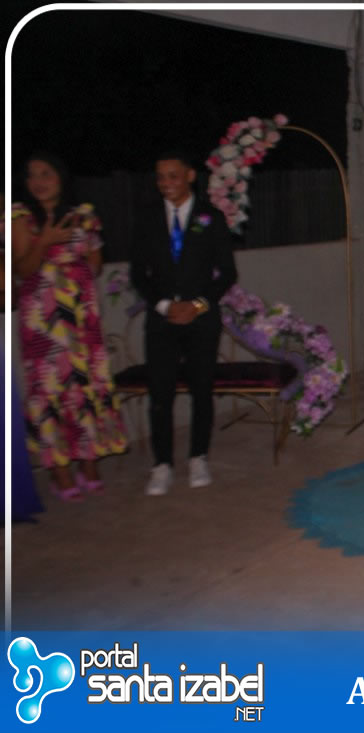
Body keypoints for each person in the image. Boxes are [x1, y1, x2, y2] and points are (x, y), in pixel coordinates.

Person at [10, 152, 127, 501]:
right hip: (43, 321)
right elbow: (21, 270)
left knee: (85, 384)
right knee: (50, 389)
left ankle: (89, 462)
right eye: (32, 175)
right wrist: (45, 242)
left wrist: (82, 266)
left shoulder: (84, 214)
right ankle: (59, 469)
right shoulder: (19, 216)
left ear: (61, 177)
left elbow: (96, 263)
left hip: (80, 315)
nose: (39, 181)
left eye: (46, 173)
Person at [130, 151, 237, 496]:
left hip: (201, 318)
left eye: (173, 176)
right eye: (161, 177)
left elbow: (227, 273)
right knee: (160, 392)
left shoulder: (210, 217)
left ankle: (198, 457)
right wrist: (164, 305)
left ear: (190, 176)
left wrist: (198, 305)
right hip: (162, 320)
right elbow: (138, 274)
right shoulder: (147, 218)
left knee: (201, 389)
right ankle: (162, 464)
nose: (166, 183)